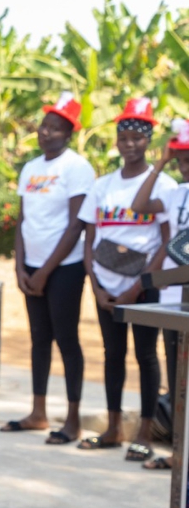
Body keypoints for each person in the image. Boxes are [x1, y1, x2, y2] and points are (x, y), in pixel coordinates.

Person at [77, 98, 175, 460]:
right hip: (106, 286)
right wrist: (97, 288)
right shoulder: (102, 186)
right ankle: (114, 428)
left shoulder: (163, 184)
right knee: (112, 354)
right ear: (116, 141)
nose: (129, 143)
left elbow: (168, 241)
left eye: (137, 137)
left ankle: (145, 433)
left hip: (143, 285)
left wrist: (140, 286)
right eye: (123, 137)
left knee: (147, 356)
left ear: (148, 141)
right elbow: (89, 242)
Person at [2, 93, 95, 444]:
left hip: (65, 268)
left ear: (69, 134)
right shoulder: (31, 168)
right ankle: (38, 412)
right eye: (44, 126)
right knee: (39, 339)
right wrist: (20, 267)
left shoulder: (77, 167)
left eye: (56, 129)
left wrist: (45, 271)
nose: (46, 133)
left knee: (67, 340)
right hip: (31, 267)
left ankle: (73, 420)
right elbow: (23, 220)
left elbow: (76, 226)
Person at [130, 118, 189, 470]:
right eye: (182, 159)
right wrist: (163, 162)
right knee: (177, 376)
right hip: (173, 298)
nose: (186, 166)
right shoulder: (175, 192)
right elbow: (139, 205)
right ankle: (178, 452)